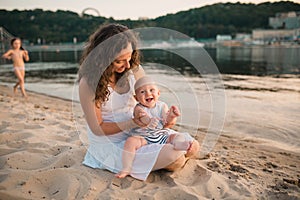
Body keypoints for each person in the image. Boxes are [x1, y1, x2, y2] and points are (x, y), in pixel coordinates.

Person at [78, 23, 200, 181]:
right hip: (112, 143)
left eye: (129, 58)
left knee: (193, 146)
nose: (128, 65)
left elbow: (150, 103)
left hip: (142, 133)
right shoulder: (88, 84)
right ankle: (159, 159)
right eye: (120, 61)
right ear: (103, 59)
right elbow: (97, 128)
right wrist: (133, 123)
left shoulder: (134, 69)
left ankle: (159, 156)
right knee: (175, 158)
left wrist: (168, 119)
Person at [116, 76, 193, 178]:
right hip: (144, 137)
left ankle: (179, 144)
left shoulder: (162, 106)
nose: (148, 94)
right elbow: (141, 116)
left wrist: (171, 116)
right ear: (136, 98)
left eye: (151, 90)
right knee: (130, 142)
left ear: (158, 93)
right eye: (142, 92)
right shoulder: (138, 108)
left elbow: (166, 121)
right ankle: (127, 167)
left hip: (161, 135)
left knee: (176, 136)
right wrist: (148, 121)